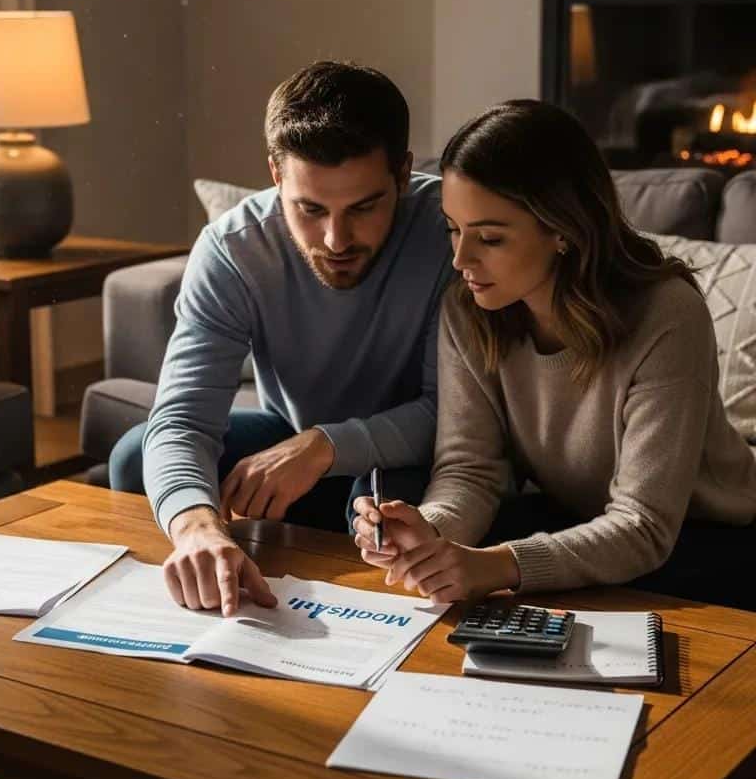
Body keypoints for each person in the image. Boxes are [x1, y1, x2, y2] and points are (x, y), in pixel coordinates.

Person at [353, 99, 756, 611]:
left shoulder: (667, 313)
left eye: (490, 237)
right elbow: (470, 469)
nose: (460, 259)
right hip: (588, 523)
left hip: (710, 536)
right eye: (453, 229)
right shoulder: (469, 310)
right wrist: (427, 532)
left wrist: (495, 564)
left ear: (562, 228)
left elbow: (646, 525)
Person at [109, 61, 453, 616]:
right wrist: (197, 527)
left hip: (414, 456)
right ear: (275, 175)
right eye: (310, 209)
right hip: (295, 445)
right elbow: (182, 421)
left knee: (383, 502)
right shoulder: (233, 249)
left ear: (404, 173)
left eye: (364, 207)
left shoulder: (450, 231)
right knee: (133, 457)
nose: (336, 239)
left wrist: (325, 446)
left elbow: (454, 414)